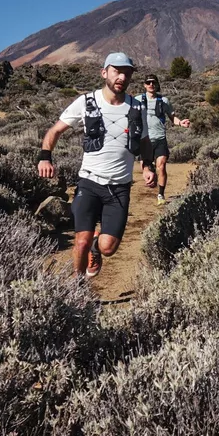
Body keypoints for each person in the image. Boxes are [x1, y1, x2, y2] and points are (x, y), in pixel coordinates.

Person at [37, 53, 156, 278]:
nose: (121, 76)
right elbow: (55, 130)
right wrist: (45, 157)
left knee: (108, 247)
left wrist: (147, 166)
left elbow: (144, 142)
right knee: (80, 240)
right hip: (89, 182)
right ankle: (77, 289)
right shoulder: (86, 102)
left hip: (119, 187)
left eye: (127, 73)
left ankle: (96, 247)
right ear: (104, 73)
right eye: (116, 71)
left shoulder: (137, 108)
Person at [136, 74, 191, 205]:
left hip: (160, 138)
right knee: (146, 168)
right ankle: (150, 170)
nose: (151, 85)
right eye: (148, 82)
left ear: (156, 84)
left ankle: (161, 194)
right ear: (144, 85)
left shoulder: (164, 101)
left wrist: (180, 123)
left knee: (162, 166)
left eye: (153, 82)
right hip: (144, 140)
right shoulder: (137, 100)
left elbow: (172, 117)